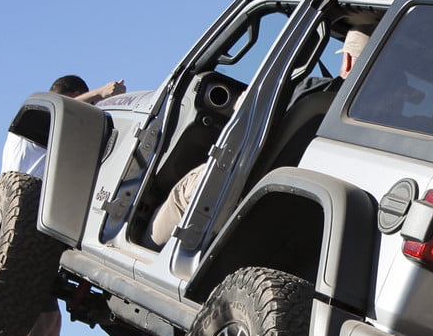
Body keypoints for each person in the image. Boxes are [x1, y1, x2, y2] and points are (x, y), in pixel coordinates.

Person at [147, 28, 371, 248]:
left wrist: (241, 105)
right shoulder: (381, 123)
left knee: (186, 191)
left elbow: (250, 117)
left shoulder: (313, 94)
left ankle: (143, 249)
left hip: (245, 193)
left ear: (348, 62)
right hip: (309, 219)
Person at [3, 74, 126, 336]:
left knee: (52, 323)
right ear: (72, 95)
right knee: (42, 319)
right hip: (26, 226)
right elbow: (61, 107)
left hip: (31, 226)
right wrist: (101, 94)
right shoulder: (38, 115)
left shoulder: (41, 136)